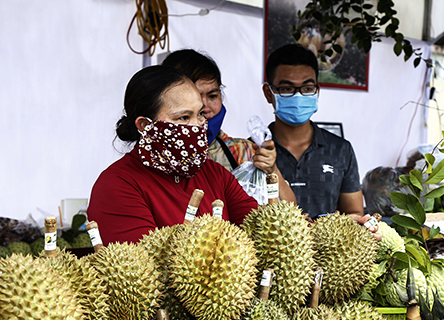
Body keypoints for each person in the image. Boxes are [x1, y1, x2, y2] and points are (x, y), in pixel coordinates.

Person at [87, 65, 258, 244]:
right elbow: (141, 264)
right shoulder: (117, 185)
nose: (198, 126)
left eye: (200, 114)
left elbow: (259, 231)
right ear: (145, 126)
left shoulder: (215, 174)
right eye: (183, 118)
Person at [161, 49, 295, 203]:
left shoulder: (243, 152)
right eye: (196, 96)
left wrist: (272, 170)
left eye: (213, 96)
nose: (205, 108)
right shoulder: (154, 159)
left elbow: (289, 211)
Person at [262, 44, 363, 220]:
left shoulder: (340, 150)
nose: (298, 95)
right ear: (269, 93)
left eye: (307, 88)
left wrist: (321, 226)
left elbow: (355, 214)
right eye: (287, 89)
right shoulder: (254, 151)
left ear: (317, 92)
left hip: (329, 245)